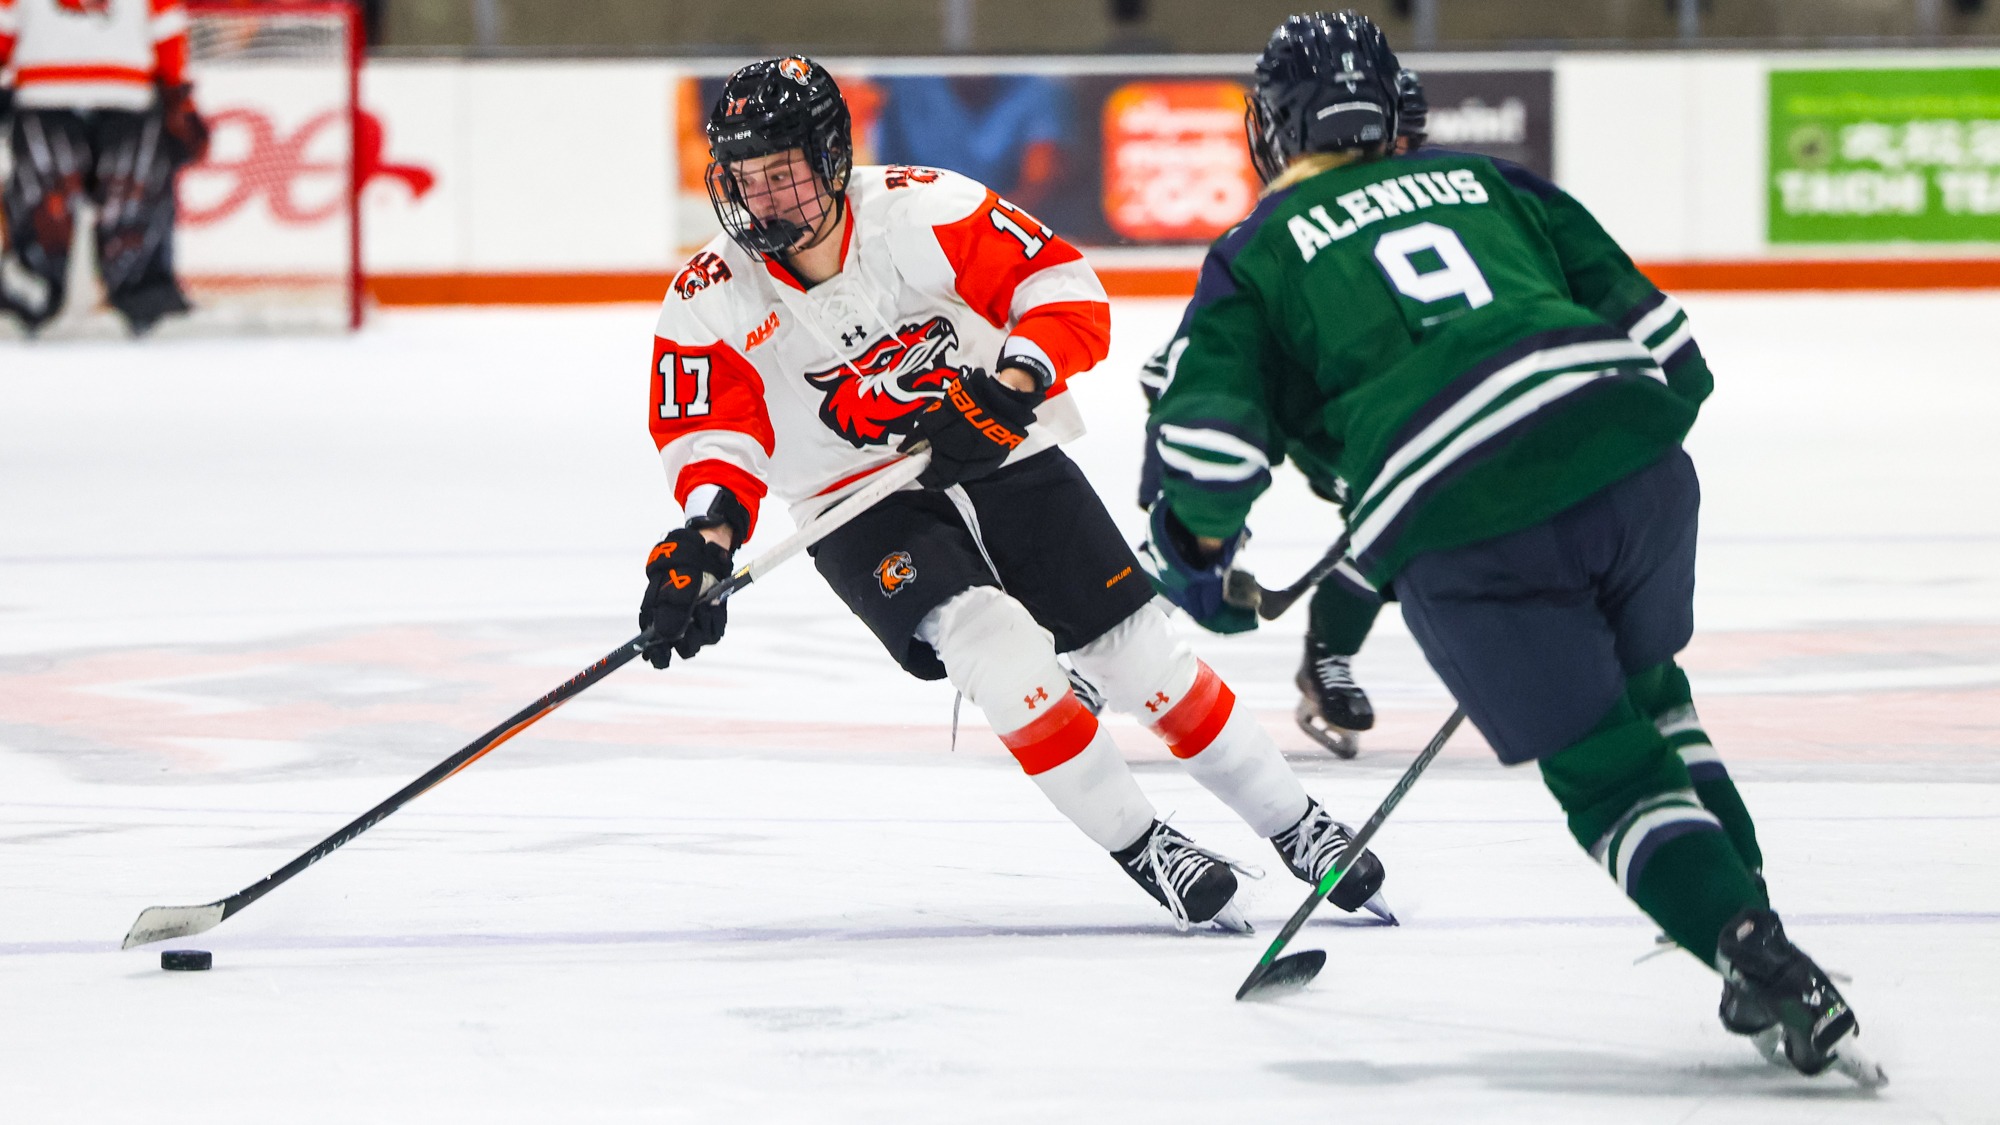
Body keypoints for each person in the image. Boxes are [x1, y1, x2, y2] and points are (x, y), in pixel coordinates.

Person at [1143, 11, 1863, 1077]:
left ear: (1272, 127)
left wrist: (1196, 568)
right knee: (1652, 697)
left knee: (1608, 775)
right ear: (1396, 110)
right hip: (1637, 467)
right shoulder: (1497, 185)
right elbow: (1678, 359)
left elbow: (1206, 460)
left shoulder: (1255, 252)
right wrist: (1572, 451)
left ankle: (1744, 945)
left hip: (1470, 530)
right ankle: (1747, 923)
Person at [637, 55, 1393, 933]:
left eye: (783, 173)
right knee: (996, 652)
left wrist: (1013, 380)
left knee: (1135, 654)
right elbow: (713, 438)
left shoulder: (924, 210)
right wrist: (704, 543)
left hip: (998, 445)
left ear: (831, 156)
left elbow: (1064, 290)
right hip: (852, 502)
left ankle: (1298, 826)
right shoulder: (707, 295)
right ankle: (1147, 845)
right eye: (745, 178)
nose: (763, 199)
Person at [1134, 69, 1433, 759]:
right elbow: (1190, 365)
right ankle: (1111, 642)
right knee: (1191, 534)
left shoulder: (1436, 212)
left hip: (1365, 427)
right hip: (1298, 408)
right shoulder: (1285, 230)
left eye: (1406, 144)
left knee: (1400, 528)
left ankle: (1328, 654)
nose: (1392, 161)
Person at [0, 0, 208, 335]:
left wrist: (176, 94)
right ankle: (138, 298)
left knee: (110, 204)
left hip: (73, 98)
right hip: (87, 97)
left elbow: (166, 22)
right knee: (83, 204)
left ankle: (139, 299)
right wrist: (176, 91)